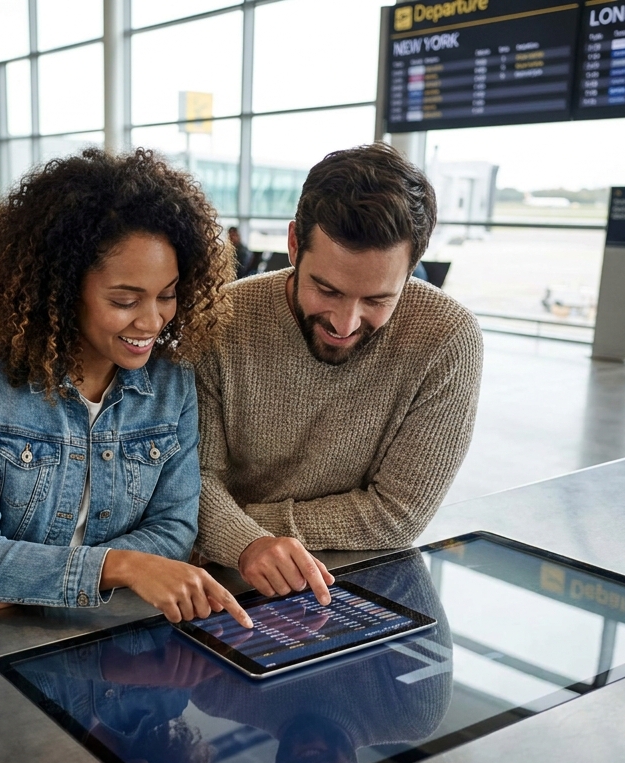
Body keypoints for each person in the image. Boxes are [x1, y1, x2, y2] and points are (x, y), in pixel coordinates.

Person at [0, 149, 253, 635]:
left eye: (167, 294)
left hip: (81, 623)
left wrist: (19, 593)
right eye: (124, 301)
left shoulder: (171, 381)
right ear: (60, 289)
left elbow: (174, 529)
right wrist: (121, 566)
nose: (151, 322)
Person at [195, 143, 483, 600]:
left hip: (362, 578)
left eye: (377, 300)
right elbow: (191, 481)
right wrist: (243, 541)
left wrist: (233, 529)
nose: (344, 324)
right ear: (293, 244)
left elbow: (398, 514)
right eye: (326, 289)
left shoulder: (446, 337)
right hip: (220, 585)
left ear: (412, 270)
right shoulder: (219, 320)